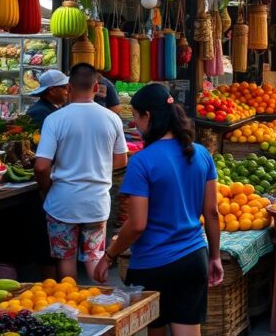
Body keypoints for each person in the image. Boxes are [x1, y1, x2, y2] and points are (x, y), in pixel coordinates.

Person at [93, 84, 224, 335]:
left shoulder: (142, 161)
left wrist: (109, 255)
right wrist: (215, 257)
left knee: (156, 330)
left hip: (153, 264)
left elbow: (137, 224)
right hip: (194, 257)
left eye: (137, 118)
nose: (136, 125)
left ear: (148, 116)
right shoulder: (201, 154)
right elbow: (212, 213)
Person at [34, 63, 128, 280]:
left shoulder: (55, 119)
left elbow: (41, 166)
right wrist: (99, 170)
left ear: (69, 86)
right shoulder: (112, 118)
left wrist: (46, 189)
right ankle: (100, 307)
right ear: (97, 87)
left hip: (62, 201)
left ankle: (70, 309)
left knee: (66, 259)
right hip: (96, 201)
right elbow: (121, 159)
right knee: (95, 256)